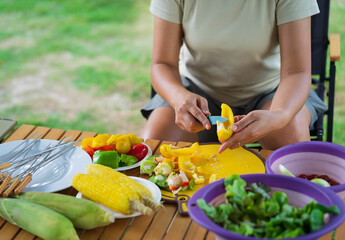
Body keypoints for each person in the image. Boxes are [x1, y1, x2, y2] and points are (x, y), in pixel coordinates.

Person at [140, 0, 327, 153]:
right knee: (155, 144)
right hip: (196, 91)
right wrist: (178, 97)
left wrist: (280, 115)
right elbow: (162, 64)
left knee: (290, 136)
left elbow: (297, 72)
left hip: (273, 91)